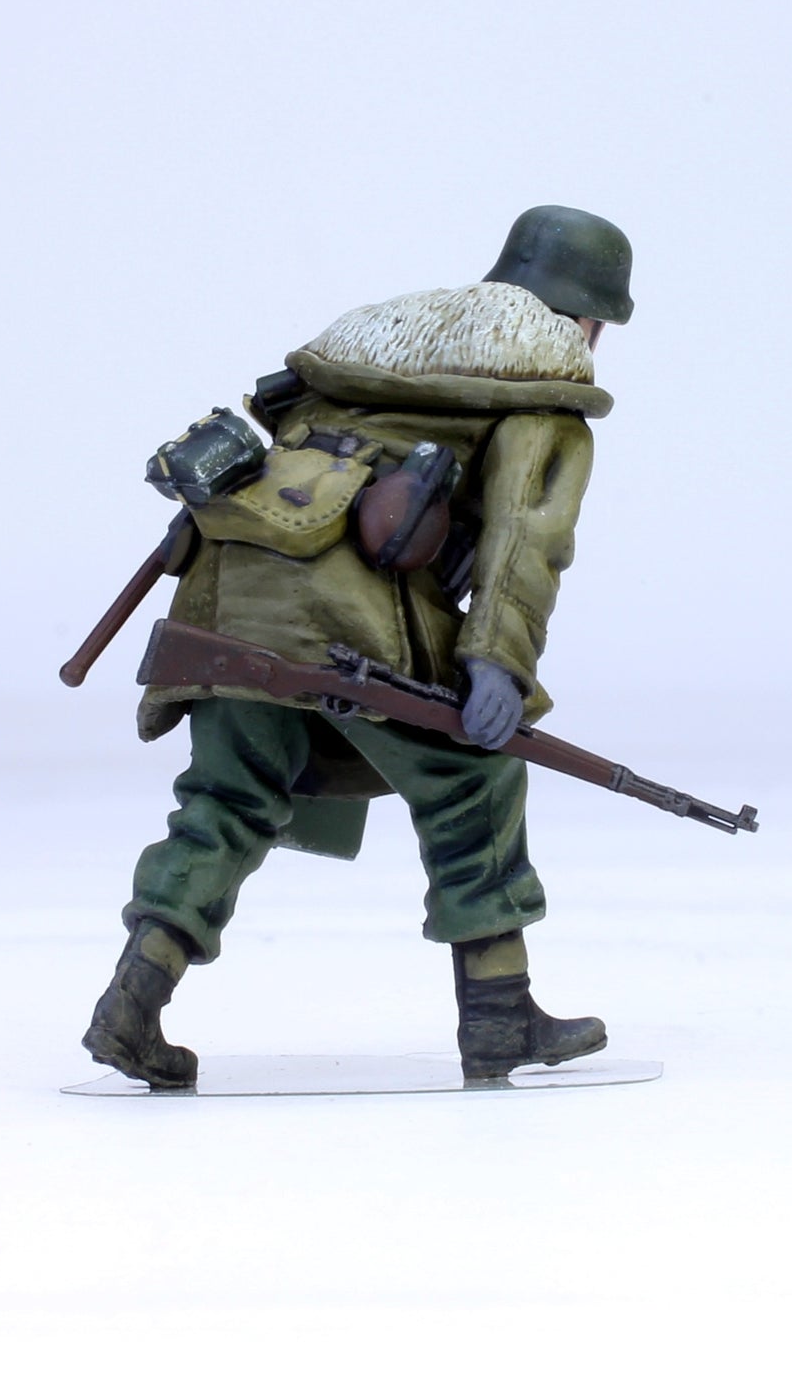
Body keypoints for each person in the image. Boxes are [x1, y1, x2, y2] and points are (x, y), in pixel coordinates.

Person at [84, 206, 634, 1087]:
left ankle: (131, 1004)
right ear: (584, 321)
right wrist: (496, 660)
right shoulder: (540, 404)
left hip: (221, 604)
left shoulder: (361, 360)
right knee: (474, 780)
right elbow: (525, 541)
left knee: (226, 800)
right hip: (346, 621)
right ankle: (499, 1015)